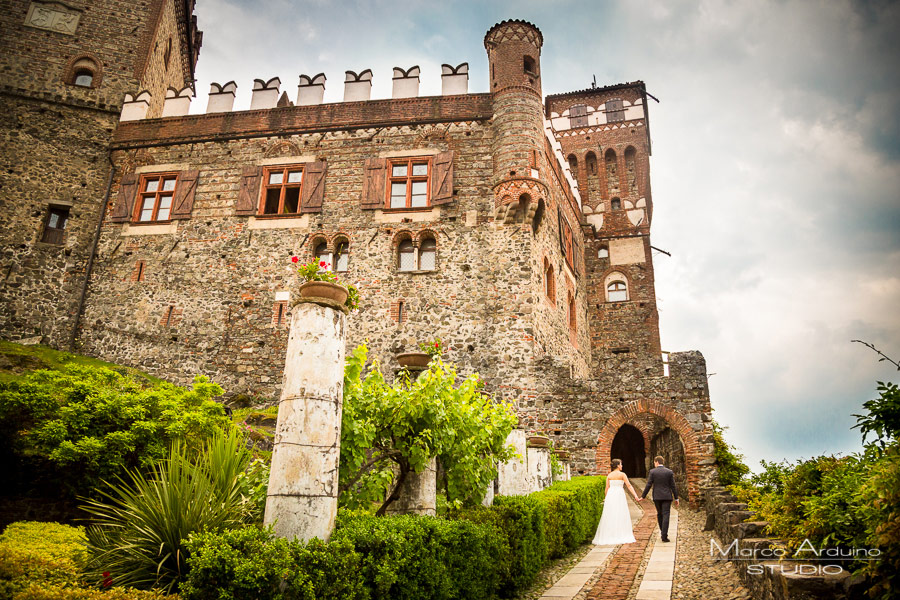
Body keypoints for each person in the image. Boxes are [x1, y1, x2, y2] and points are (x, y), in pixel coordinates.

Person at [592, 458, 642, 545]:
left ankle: (610, 535)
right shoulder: (622, 475)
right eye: (621, 464)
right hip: (619, 494)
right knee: (620, 513)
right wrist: (636, 496)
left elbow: (607, 488)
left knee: (610, 514)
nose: (622, 466)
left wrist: (606, 498)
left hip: (611, 495)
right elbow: (629, 485)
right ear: (618, 466)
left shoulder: (609, 475)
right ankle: (621, 533)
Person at [641, 455, 679, 542]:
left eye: (654, 462)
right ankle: (664, 535)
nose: (654, 464)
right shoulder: (669, 472)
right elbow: (673, 486)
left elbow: (649, 485)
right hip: (667, 496)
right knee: (666, 514)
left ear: (657, 462)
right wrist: (676, 498)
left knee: (659, 514)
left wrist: (643, 496)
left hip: (657, 496)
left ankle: (663, 532)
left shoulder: (653, 472)